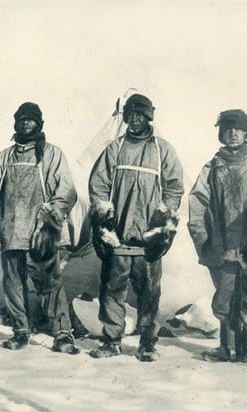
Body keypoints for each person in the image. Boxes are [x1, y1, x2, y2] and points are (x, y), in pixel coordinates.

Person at [88, 94, 184, 361]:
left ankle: (147, 342)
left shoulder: (161, 150)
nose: (135, 120)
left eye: (140, 116)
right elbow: (98, 185)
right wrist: (104, 213)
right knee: (112, 289)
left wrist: (164, 216)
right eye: (131, 115)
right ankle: (111, 339)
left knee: (149, 291)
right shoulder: (114, 148)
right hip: (118, 236)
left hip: (147, 237)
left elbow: (175, 186)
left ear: (148, 118)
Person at [0, 102, 79, 354]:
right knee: (13, 283)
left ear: (39, 123)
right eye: (21, 119)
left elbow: (66, 190)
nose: (26, 123)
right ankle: (20, 331)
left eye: (31, 119)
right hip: (11, 230)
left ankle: (62, 333)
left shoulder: (52, 154)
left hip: (40, 234)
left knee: (49, 284)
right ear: (15, 123)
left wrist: (51, 216)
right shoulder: (3, 156)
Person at [188, 109, 247, 364]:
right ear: (221, 133)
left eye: (238, 129)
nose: (232, 133)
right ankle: (227, 347)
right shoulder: (211, 168)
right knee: (226, 295)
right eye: (227, 128)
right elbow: (197, 204)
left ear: (246, 133)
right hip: (223, 245)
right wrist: (204, 239)